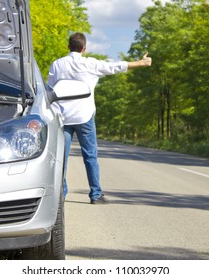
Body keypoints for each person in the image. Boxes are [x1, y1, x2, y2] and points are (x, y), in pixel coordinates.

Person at [48, 32, 152, 204]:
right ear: (84, 48)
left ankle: (61, 195)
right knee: (90, 156)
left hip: (63, 117)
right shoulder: (91, 64)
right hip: (84, 116)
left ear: (69, 47)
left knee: (61, 159)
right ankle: (96, 195)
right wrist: (141, 63)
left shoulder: (57, 65)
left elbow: (50, 90)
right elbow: (115, 67)